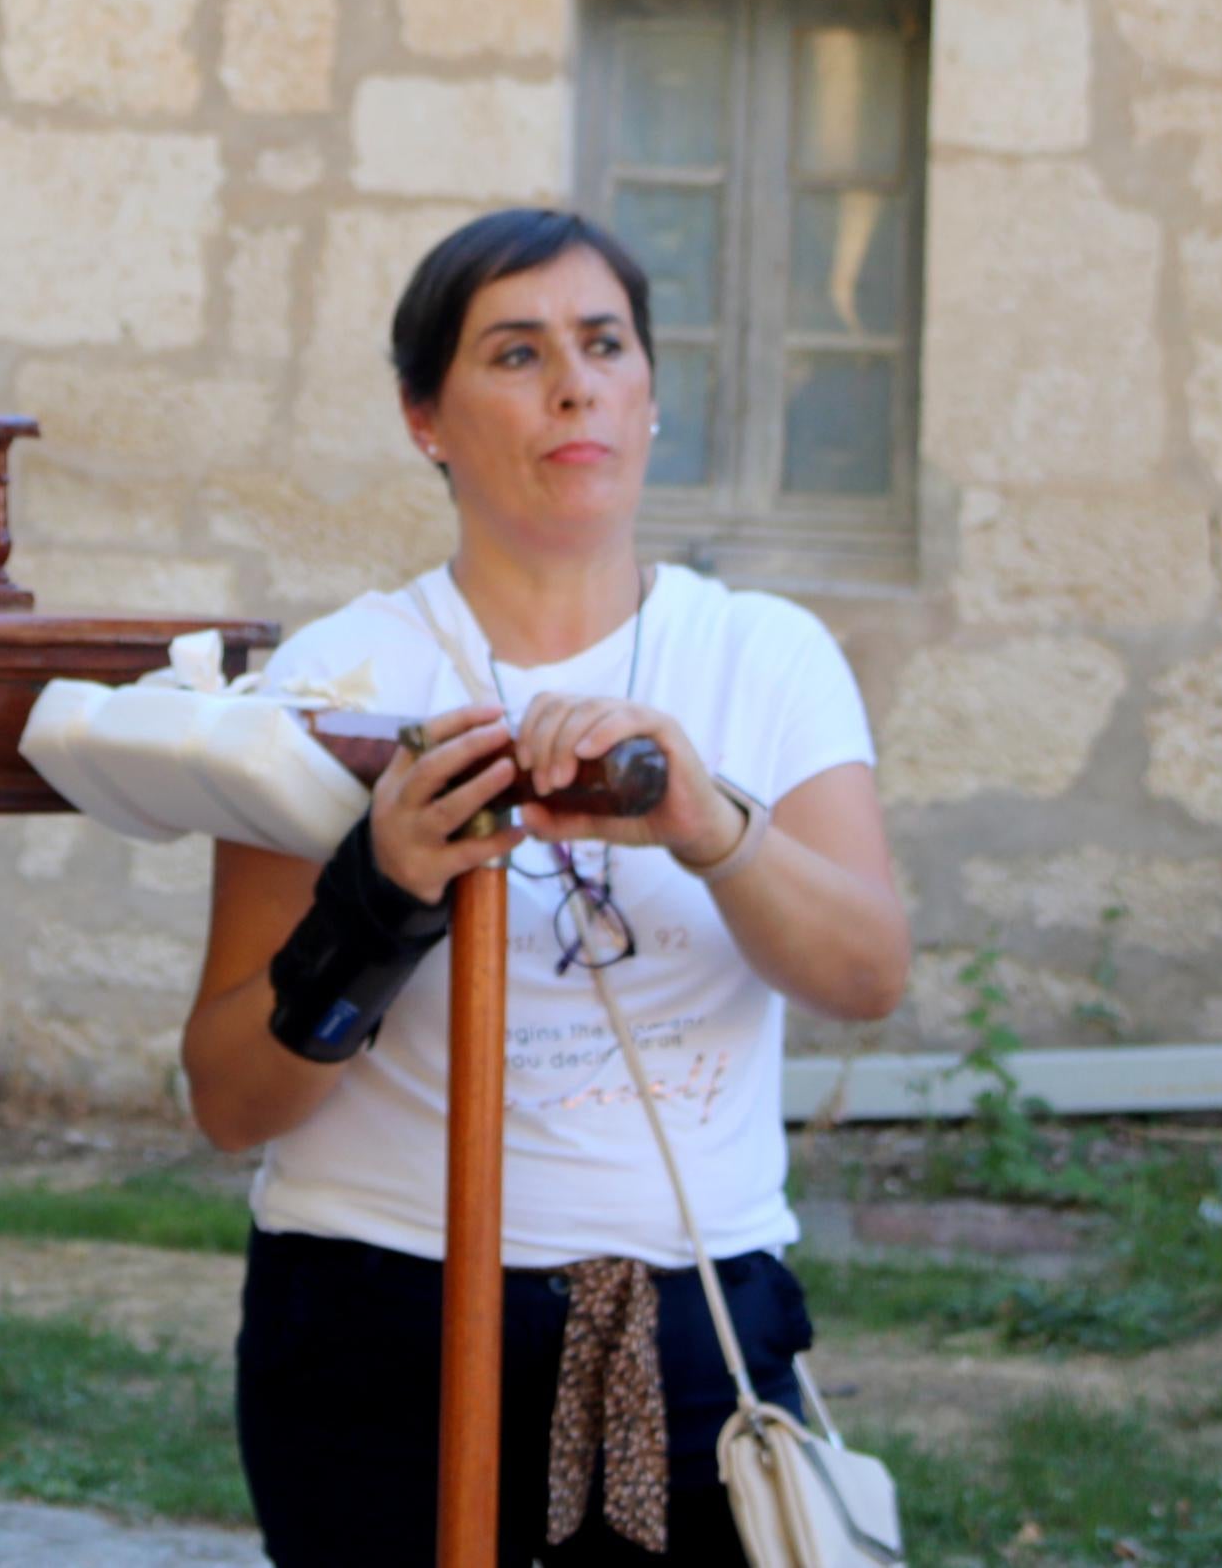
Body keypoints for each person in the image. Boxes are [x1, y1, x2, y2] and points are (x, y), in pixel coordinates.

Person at [179, 209, 911, 1567]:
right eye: (513, 351)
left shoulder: (761, 653)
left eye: (603, 343)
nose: (572, 383)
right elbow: (231, 1097)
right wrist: (381, 894)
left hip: (691, 1322)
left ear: (646, 394)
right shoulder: (335, 682)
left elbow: (864, 972)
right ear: (423, 417)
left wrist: (708, 821)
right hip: (377, 1327)